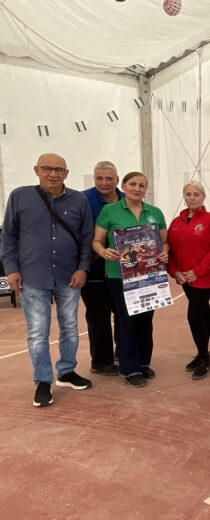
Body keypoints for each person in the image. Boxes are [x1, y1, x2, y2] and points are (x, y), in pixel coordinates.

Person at [0, 153, 94, 407]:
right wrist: (11, 269)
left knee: (70, 328)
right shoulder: (20, 196)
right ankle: (42, 381)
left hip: (69, 276)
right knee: (38, 332)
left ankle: (66, 371)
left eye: (59, 169)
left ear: (66, 173)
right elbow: (8, 235)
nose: (53, 174)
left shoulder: (79, 200)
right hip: (32, 275)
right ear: (36, 170)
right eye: (47, 168)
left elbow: (86, 238)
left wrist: (83, 268)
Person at [92, 172, 168, 388]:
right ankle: (129, 368)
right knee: (127, 321)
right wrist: (104, 250)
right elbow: (97, 241)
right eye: (132, 184)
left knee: (146, 319)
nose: (137, 188)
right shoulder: (110, 210)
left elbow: (164, 241)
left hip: (150, 274)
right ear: (123, 186)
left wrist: (165, 253)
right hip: (119, 275)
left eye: (142, 185)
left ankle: (144, 362)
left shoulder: (155, 212)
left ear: (146, 189)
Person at [168, 181, 210, 380]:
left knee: (194, 314)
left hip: (204, 278)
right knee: (202, 312)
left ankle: (203, 356)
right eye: (188, 194)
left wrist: (198, 271)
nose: (192, 197)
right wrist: (175, 271)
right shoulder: (176, 222)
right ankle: (204, 353)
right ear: (183, 197)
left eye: (196, 194)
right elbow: (169, 249)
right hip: (184, 278)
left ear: (203, 197)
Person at [82, 161, 124, 376]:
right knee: (98, 316)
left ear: (117, 179)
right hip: (95, 267)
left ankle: (123, 352)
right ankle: (101, 362)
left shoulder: (128, 199)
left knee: (123, 313)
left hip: (124, 269)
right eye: (99, 178)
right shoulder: (82, 199)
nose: (104, 182)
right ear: (94, 179)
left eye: (109, 178)